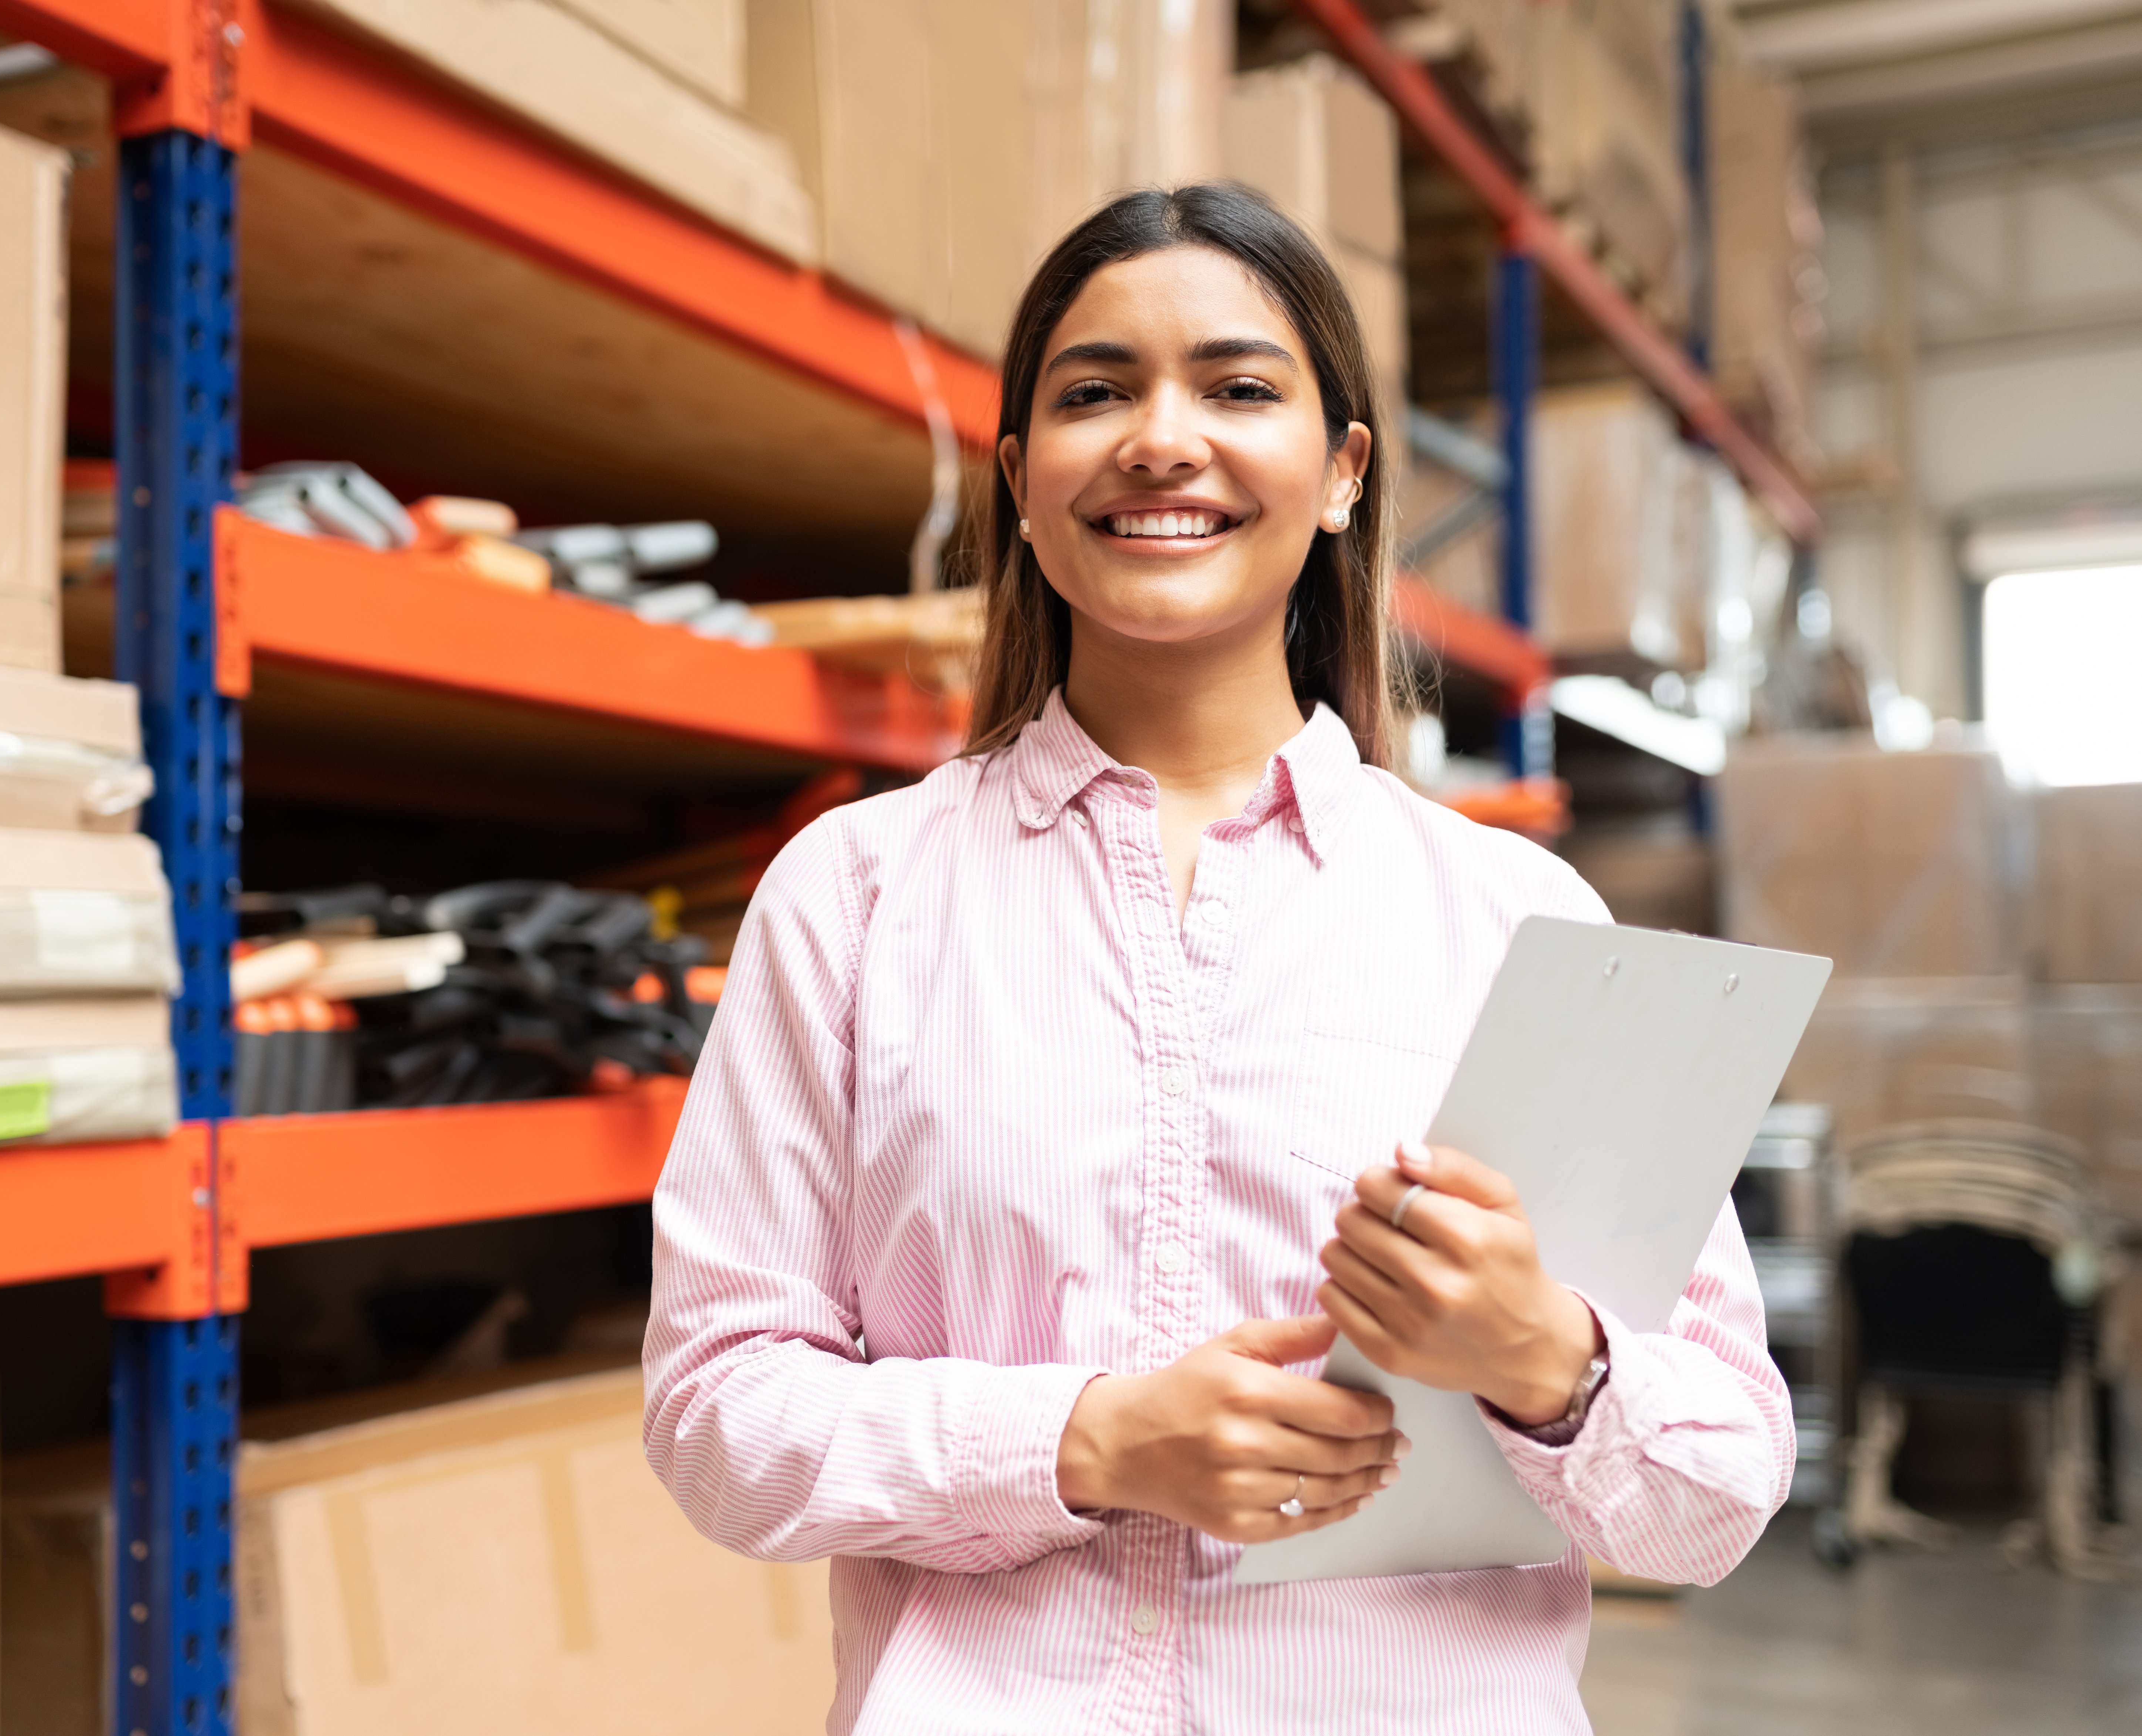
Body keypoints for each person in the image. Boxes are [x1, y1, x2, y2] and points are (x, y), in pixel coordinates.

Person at [642, 183, 1790, 1735]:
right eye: (1095, 391)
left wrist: (1545, 1357)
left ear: (1341, 474)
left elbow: (1717, 1490)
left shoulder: (1519, 919)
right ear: (1021, 487)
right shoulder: (852, 896)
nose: (1161, 438)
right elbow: (717, 1413)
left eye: (1240, 388)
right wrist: (1090, 1439)